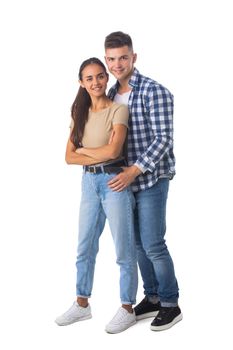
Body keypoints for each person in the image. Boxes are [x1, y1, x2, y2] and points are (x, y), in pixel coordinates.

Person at [104, 31, 182, 331]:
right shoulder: (110, 95)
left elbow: (163, 140)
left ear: (133, 57)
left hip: (151, 179)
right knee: (136, 244)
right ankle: (152, 298)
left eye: (123, 57)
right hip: (124, 182)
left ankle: (171, 303)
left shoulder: (153, 91)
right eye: (111, 59)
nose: (117, 64)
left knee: (153, 244)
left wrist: (133, 170)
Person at [55, 57, 138, 334]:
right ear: (82, 82)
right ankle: (82, 304)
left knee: (124, 249)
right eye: (89, 78)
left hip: (115, 180)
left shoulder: (118, 110)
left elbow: (114, 152)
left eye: (100, 76)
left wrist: (86, 153)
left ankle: (127, 307)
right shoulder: (78, 112)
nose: (96, 82)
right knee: (85, 246)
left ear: (106, 77)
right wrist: (94, 154)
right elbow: (68, 156)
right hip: (89, 183)